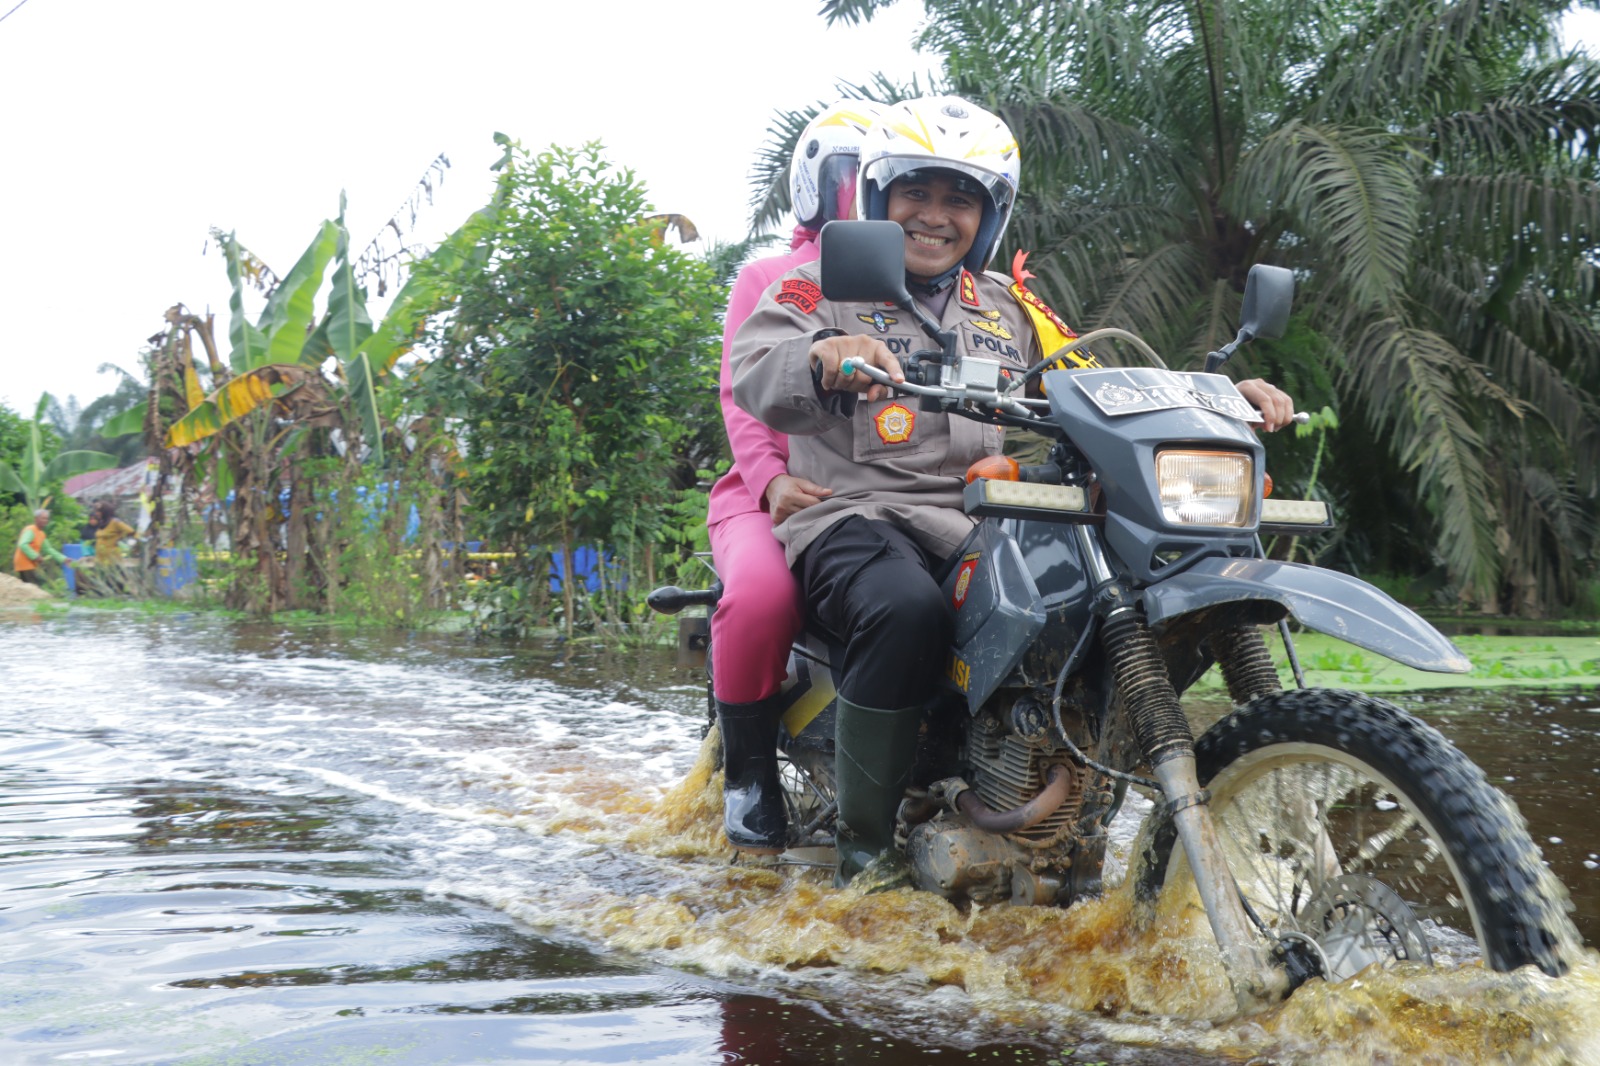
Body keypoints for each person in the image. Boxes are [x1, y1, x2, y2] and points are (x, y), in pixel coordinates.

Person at [731, 96, 1295, 883]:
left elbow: (1101, 381)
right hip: (852, 515)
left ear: (988, 216)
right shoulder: (820, 283)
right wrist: (823, 356)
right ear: (878, 199)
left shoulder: (1005, 304)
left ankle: (1038, 784)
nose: (936, 216)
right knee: (905, 608)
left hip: (976, 519)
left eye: (960, 199)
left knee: (1079, 601)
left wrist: (1219, 395)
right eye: (916, 192)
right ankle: (865, 858)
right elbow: (756, 370)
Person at [707, 99, 881, 854]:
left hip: (881, 491)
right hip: (770, 494)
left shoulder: (924, 286)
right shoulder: (781, 278)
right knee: (761, 595)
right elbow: (741, 395)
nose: (863, 196)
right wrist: (772, 481)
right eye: (853, 177)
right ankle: (749, 775)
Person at [13, 508, 69, 586]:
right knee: (33, 587)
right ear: (36, 519)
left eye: (47, 519)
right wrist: (35, 556)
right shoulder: (30, 530)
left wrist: (63, 559)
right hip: (24, 563)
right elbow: (23, 544)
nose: (45, 520)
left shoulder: (41, 533)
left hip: (31, 564)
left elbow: (48, 549)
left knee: (30, 587)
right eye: (43, 518)